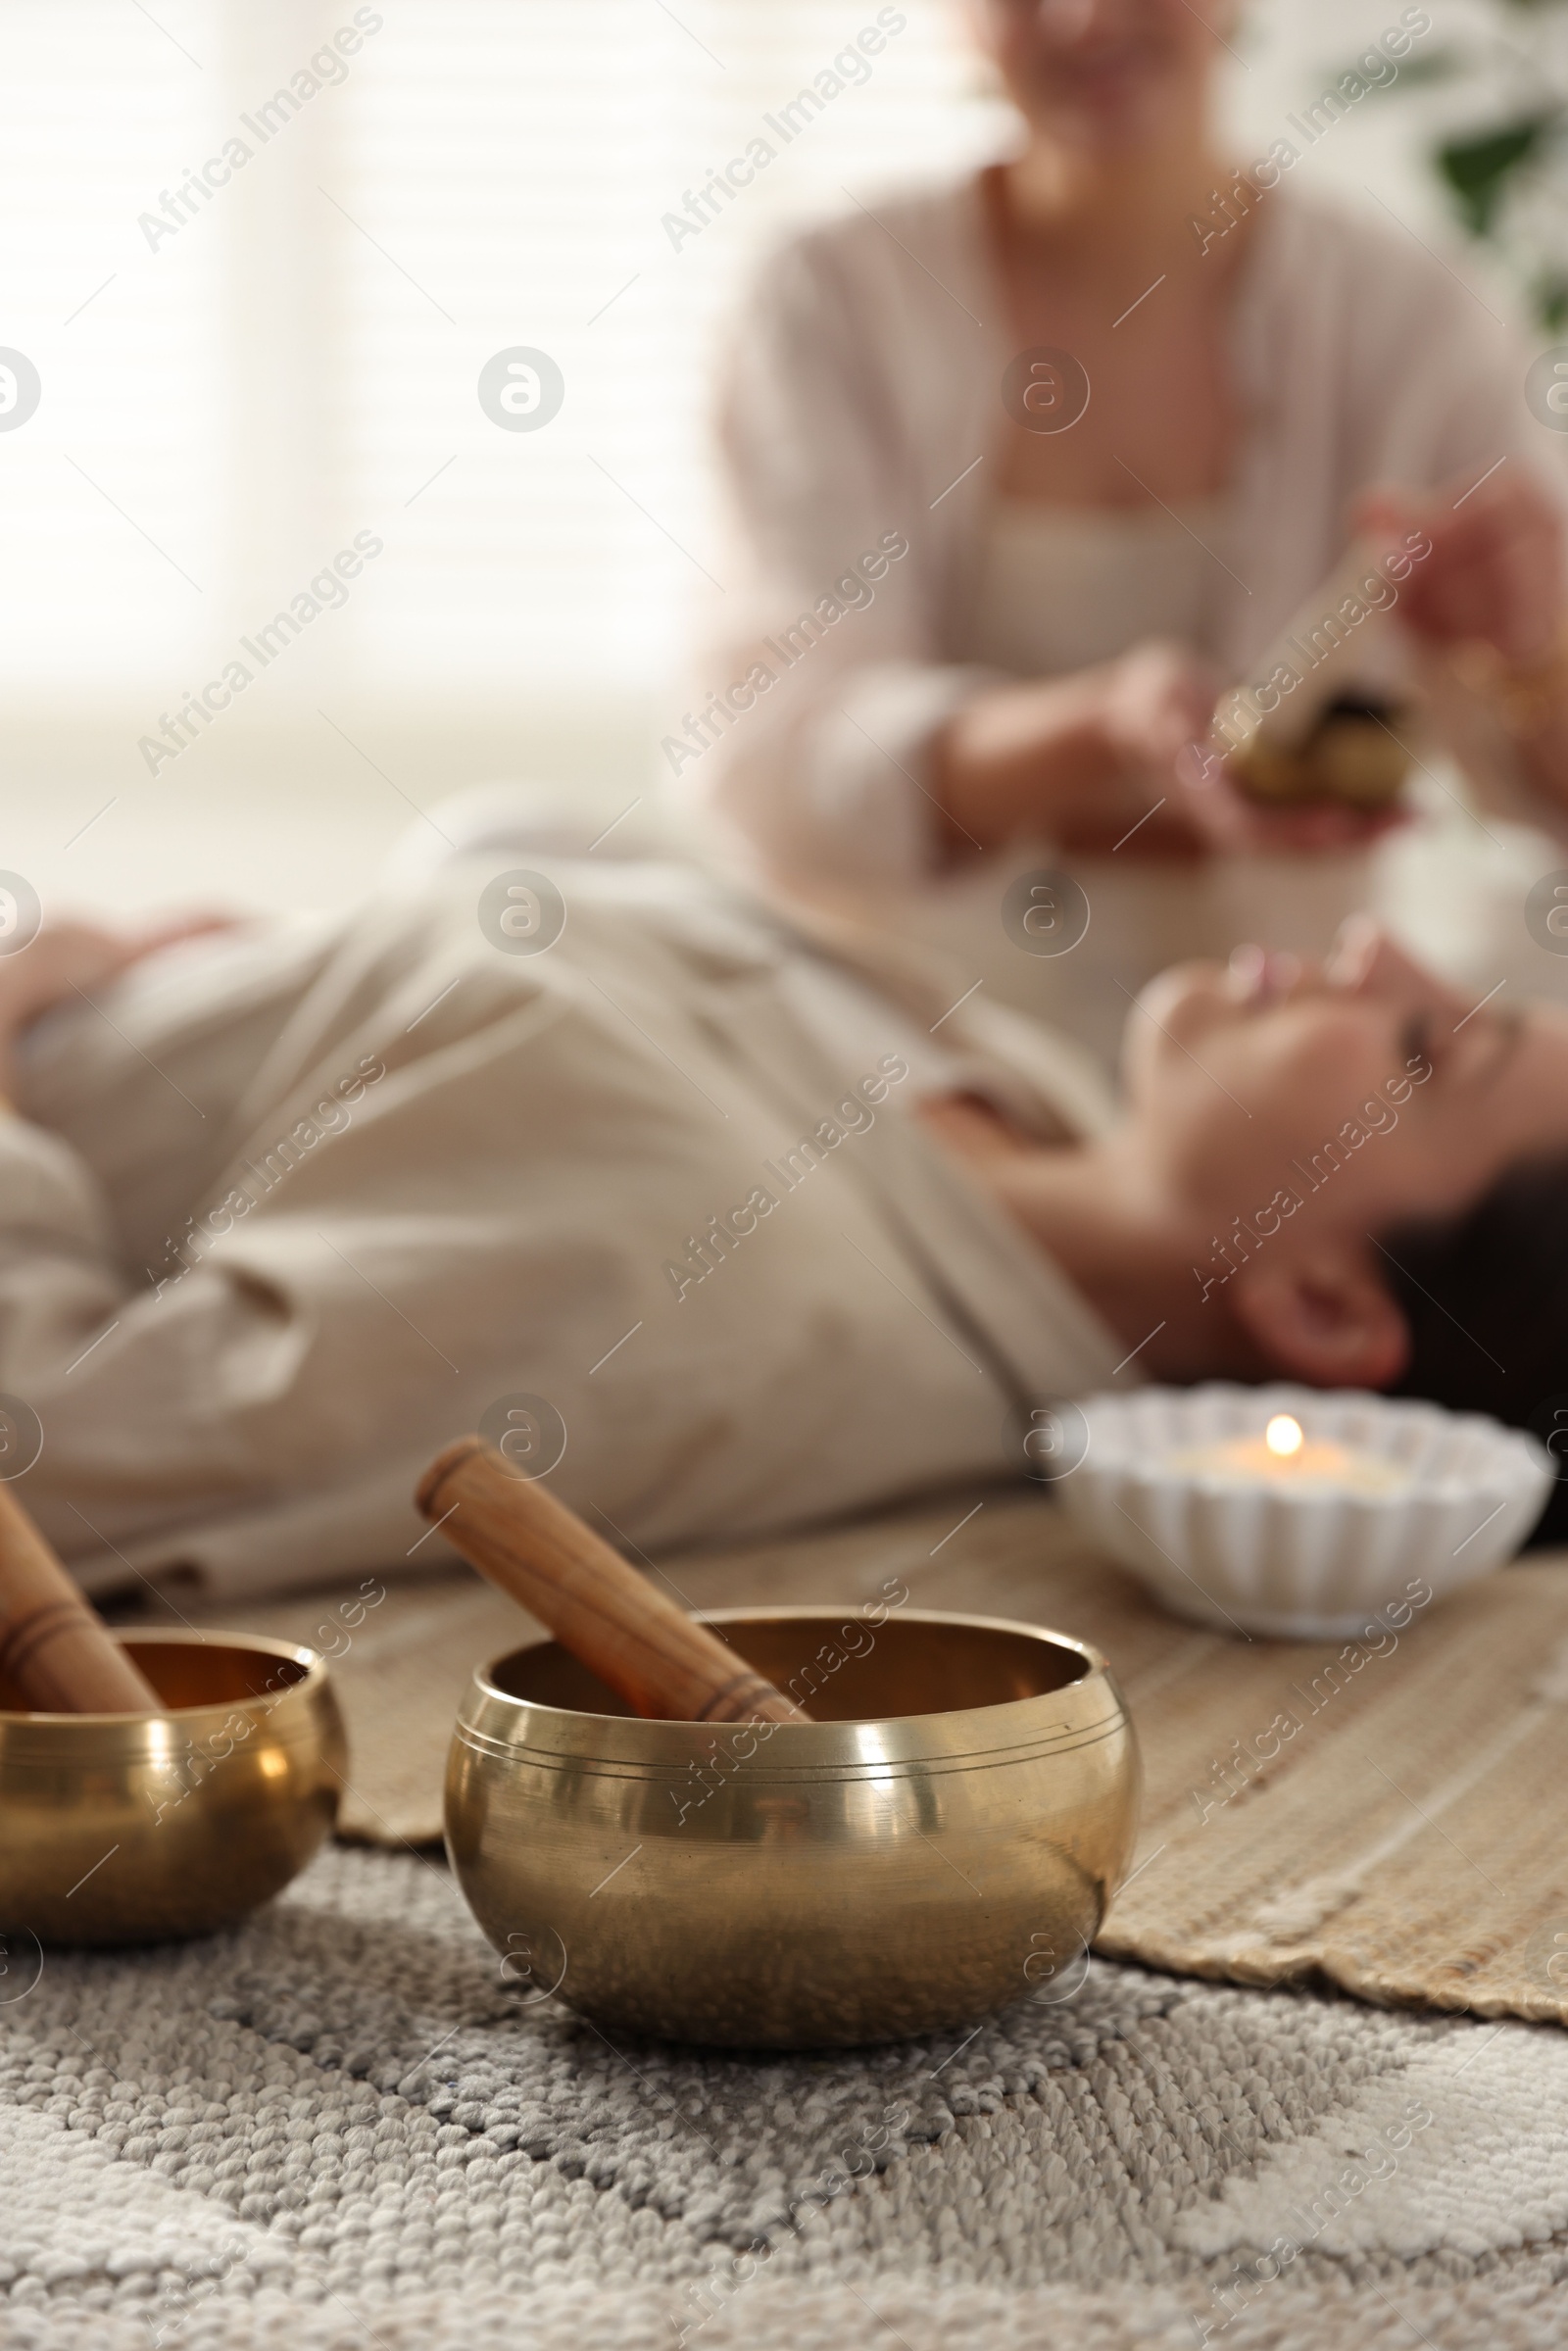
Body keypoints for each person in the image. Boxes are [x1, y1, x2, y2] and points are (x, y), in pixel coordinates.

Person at [0, 844, 1565, 1606]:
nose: (1379, 945)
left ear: (1324, 1307)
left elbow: (52, 1464)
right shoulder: (1021, 1089)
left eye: (1430, 1047)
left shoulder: (708, 1301)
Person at [682, 0, 1568, 1063]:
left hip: (1291, 1075)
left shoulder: (1417, 321)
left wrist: (1532, 651)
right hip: (903, 1065)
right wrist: (1105, 725)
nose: (1082, 17)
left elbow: (1542, 797)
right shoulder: (830, 298)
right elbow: (771, 764)